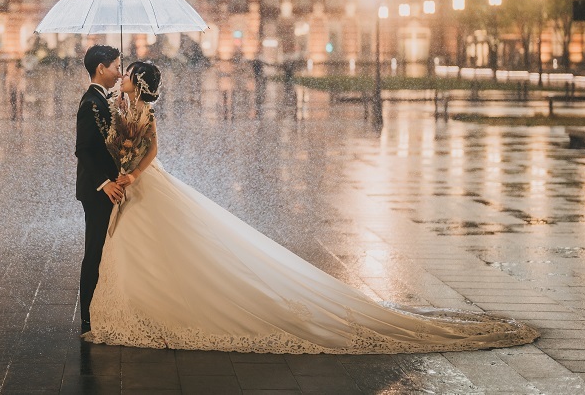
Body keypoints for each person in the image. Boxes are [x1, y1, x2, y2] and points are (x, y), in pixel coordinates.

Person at [83, 60, 539, 354]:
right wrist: (123, 166)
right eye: (119, 70)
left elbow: (152, 150)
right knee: (150, 245)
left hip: (142, 183)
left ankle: (153, 304)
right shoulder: (121, 105)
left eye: (126, 73)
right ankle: (144, 299)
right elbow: (126, 142)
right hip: (134, 184)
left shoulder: (140, 111)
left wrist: (132, 173)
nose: (121, 75)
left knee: (158, 242)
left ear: (136, 82)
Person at [75, 44, 124, 335]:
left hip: (104, 187)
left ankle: (100, 308)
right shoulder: (90, 103)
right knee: (93, 251)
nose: (119, 73)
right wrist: (104, 183)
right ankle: (87, 318)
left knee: (101, 249)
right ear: (101, 68)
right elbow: (83, 150)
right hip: (96, 191)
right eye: (116, 66)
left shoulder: (102, 100)